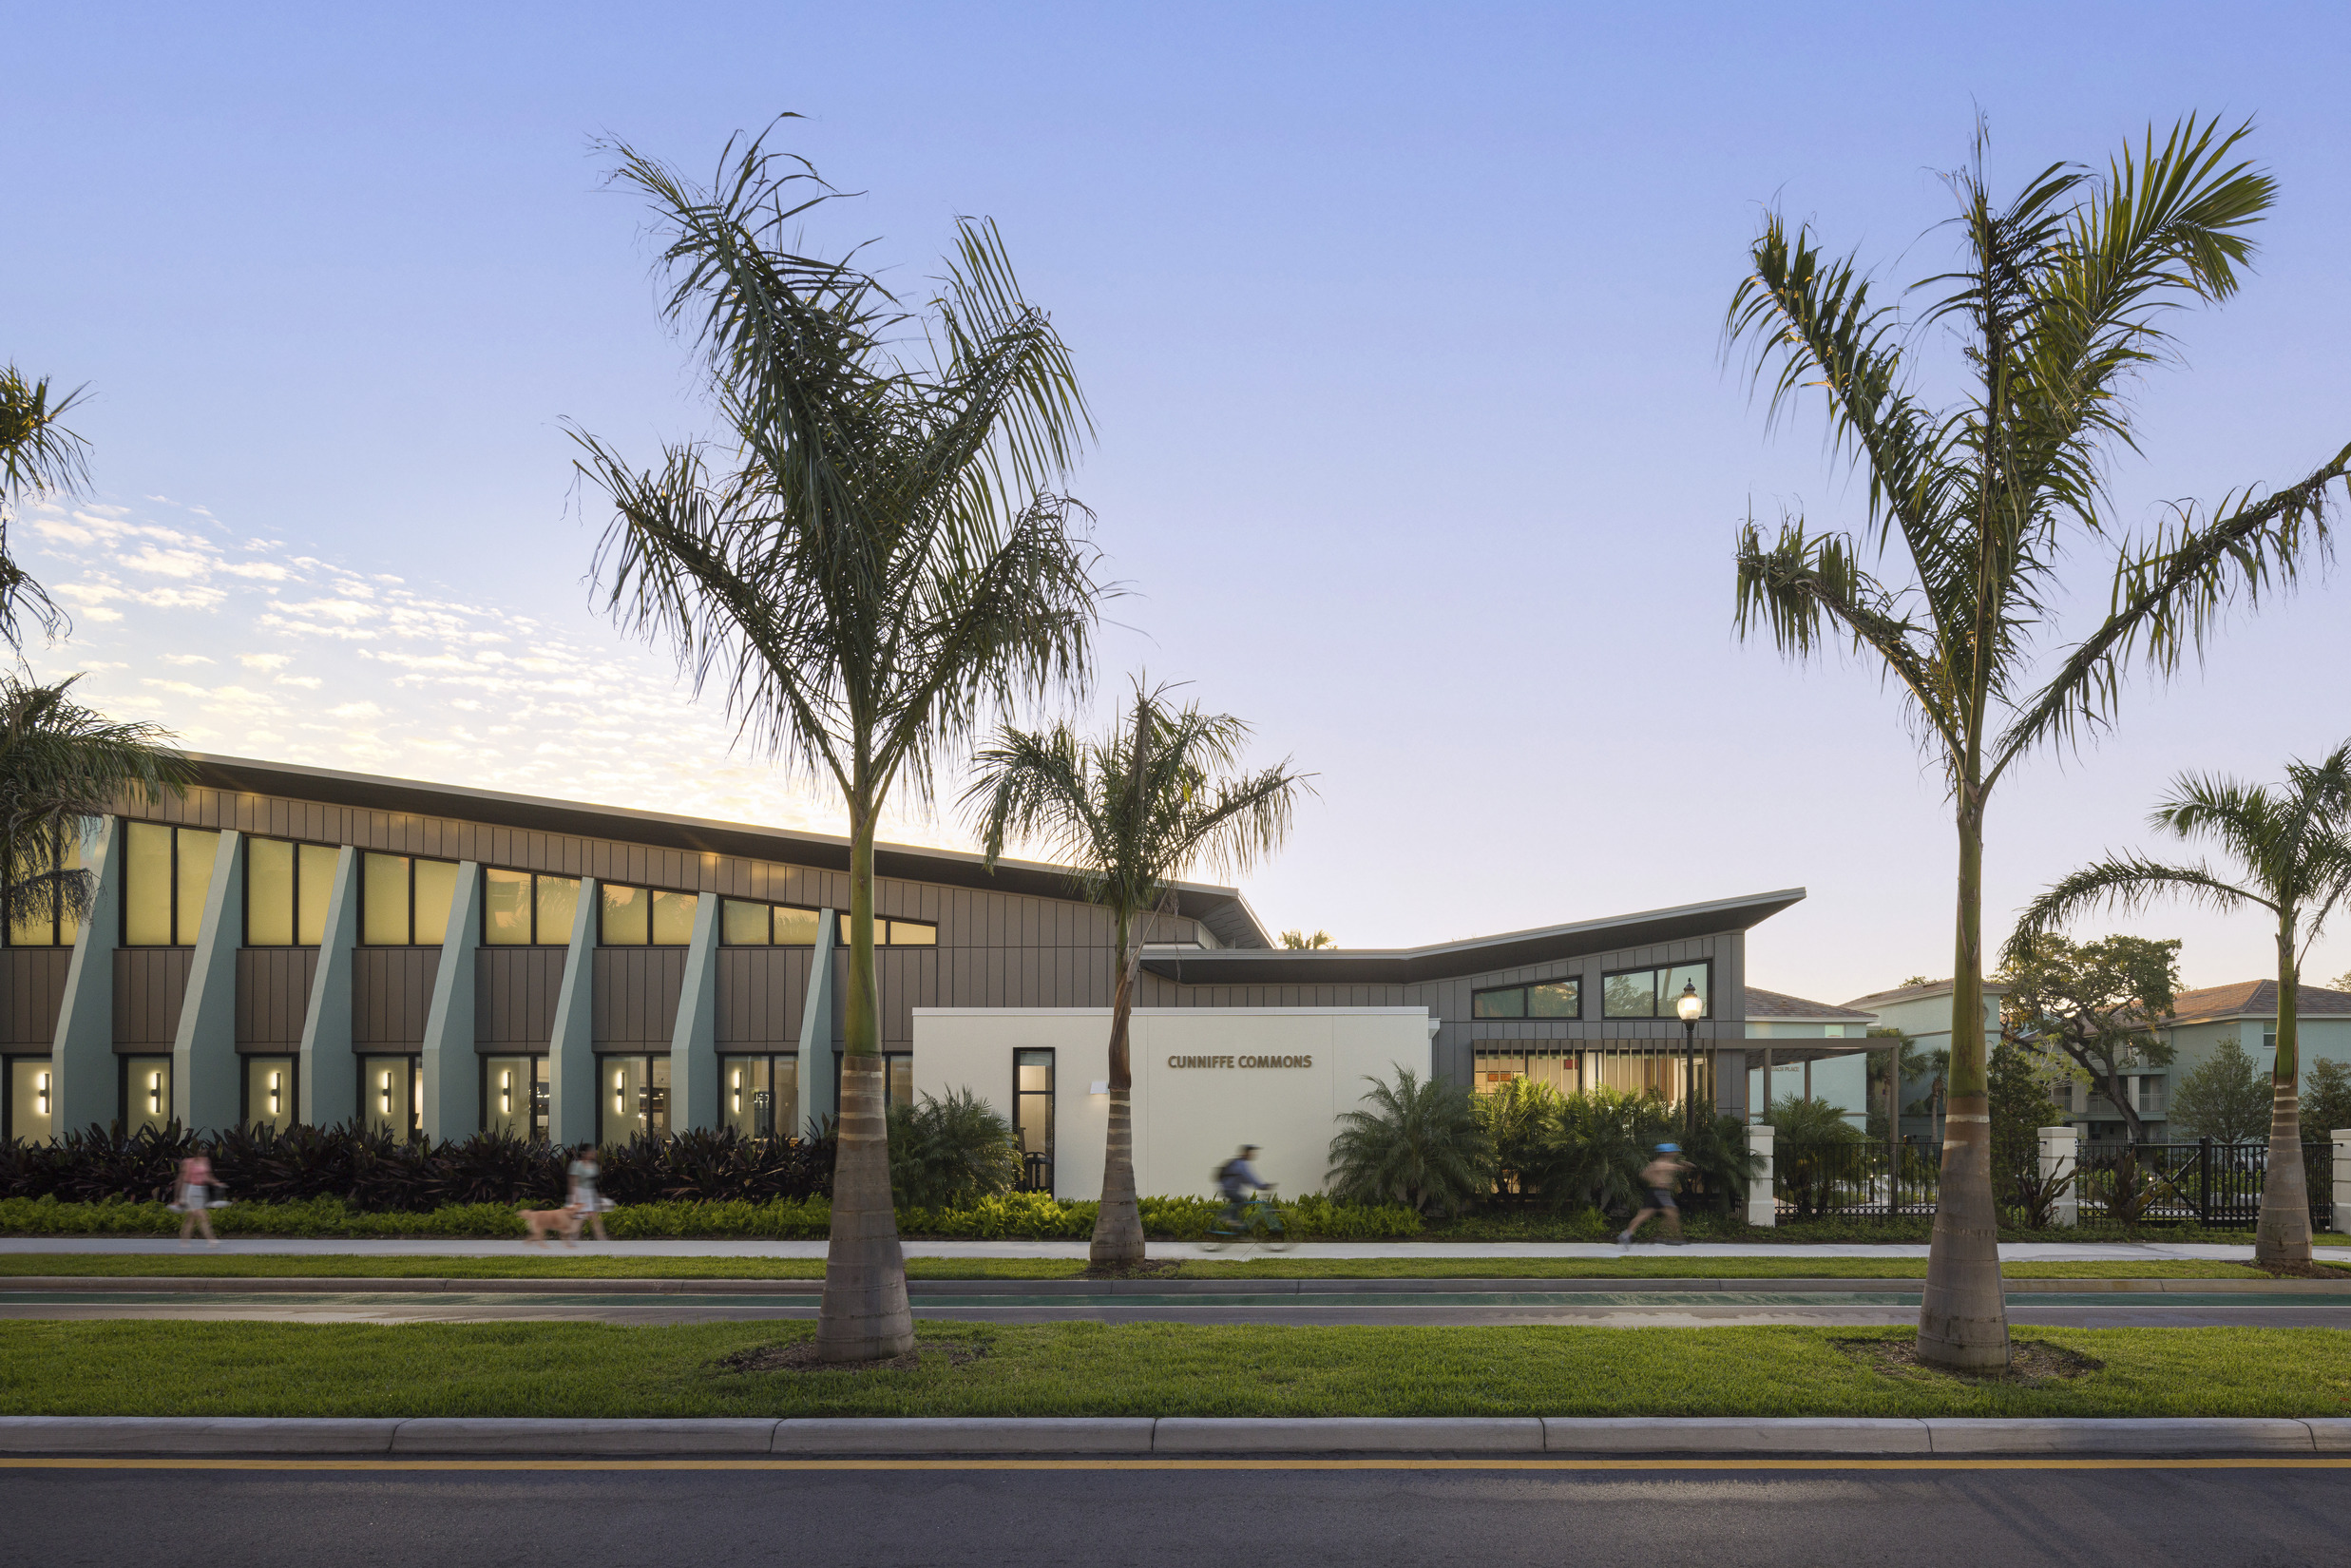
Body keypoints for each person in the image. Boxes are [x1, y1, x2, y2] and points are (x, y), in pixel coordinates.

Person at [1617, 1142, 1692, 1251]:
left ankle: (1626, 1235)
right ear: (1667, 1153)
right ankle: (1667, 1237)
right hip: (1660, 1192)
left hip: (1655, 1192)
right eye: (1674, 1151)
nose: (1676, 1153)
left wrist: (1654, 1179)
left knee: (1644, 1215)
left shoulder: (1659, 1163)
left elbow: (1644, 1173)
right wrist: (1658, 1180)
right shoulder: (1662, 1163)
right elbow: (1673, 1168)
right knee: (1672, 1212)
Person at [1215, 1144, 1269, 1229]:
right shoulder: (1241, 1164)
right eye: (1252, 1153)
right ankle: (1228, 1217)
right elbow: (1249, 1177)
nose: (1253, 1155)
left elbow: (1246, 1180)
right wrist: (1261, 1186)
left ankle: (1235, 1228)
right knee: (1240, 1200)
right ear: (1246, 1153)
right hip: (1229, 1189)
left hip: (1229, 1188)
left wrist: (1259, 1186)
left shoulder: (1239, 1163)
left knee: (1239, 1201)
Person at [175, 1153, 220, 1248]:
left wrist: (216, 1183)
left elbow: (207, 1176)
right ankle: (211, 1239)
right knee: (203, 1215)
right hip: (191, 1190)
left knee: (191, 1218)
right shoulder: (188, 1162)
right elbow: (182, 1179)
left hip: (201, 1190)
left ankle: (184, 1239)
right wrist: (179, 1197)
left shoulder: (205, 1161)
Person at [566, 1143, 608, 1242]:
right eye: (591, 1151)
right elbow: (573, 1181)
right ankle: (572, 1236)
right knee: (580, 1217)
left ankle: (601, 1238)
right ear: (584, 1153)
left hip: (590, 1193)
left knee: (594, 1216)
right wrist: (574, 1197)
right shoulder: (577, 1165)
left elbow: (594, 1182)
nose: (593, 1153)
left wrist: (598, 1194)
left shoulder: (594, 1166)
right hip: (580, 1193)